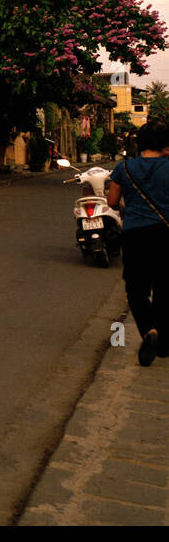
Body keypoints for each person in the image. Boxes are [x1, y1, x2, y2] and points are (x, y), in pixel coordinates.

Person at [106, 122, 169, 366]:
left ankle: (149, 331)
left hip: (136, 236)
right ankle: (163, 343)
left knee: (136, 289)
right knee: (164, 289)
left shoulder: (125, 168)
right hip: (165, 235)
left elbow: (111, 201)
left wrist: (127, 210)